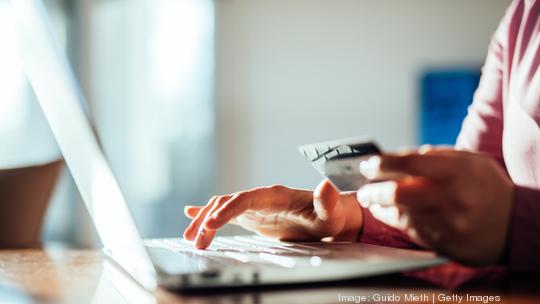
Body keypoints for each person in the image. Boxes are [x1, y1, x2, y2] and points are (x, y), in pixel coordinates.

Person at [183, 0, 540, 272]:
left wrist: (517, 223)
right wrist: (344, 219)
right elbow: (463, 213)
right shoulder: (523, 17)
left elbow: (498, 218)